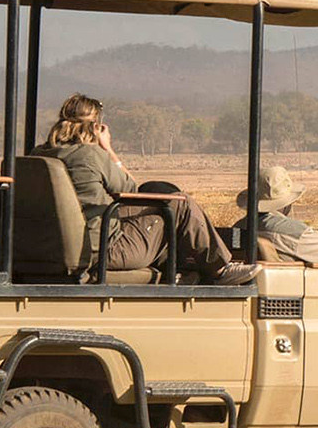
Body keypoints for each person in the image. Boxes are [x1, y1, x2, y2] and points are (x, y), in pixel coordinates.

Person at [34, 94, 260, 285]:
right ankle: (219, 270)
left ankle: (181, 272)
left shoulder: (39, 155)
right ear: (95, 126)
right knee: (179, 204)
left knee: (162, 212)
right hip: (102, 249)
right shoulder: (91, 155)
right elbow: (133, 190)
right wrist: (108, 149)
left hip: (52, 246)